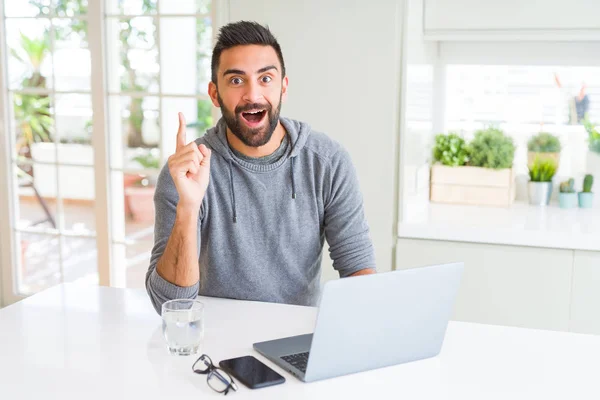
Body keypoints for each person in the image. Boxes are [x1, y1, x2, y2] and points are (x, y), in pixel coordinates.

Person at [145, 21, 376, 314]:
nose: (253, 96)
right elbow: (169, 305)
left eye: (265, 78)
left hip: (295, 340)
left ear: (284, 87)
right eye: (236, 81)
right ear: (215, 94)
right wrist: (188, 209)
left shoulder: (327, 162)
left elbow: (357, 268)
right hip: (215, 344)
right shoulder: (187, 173)